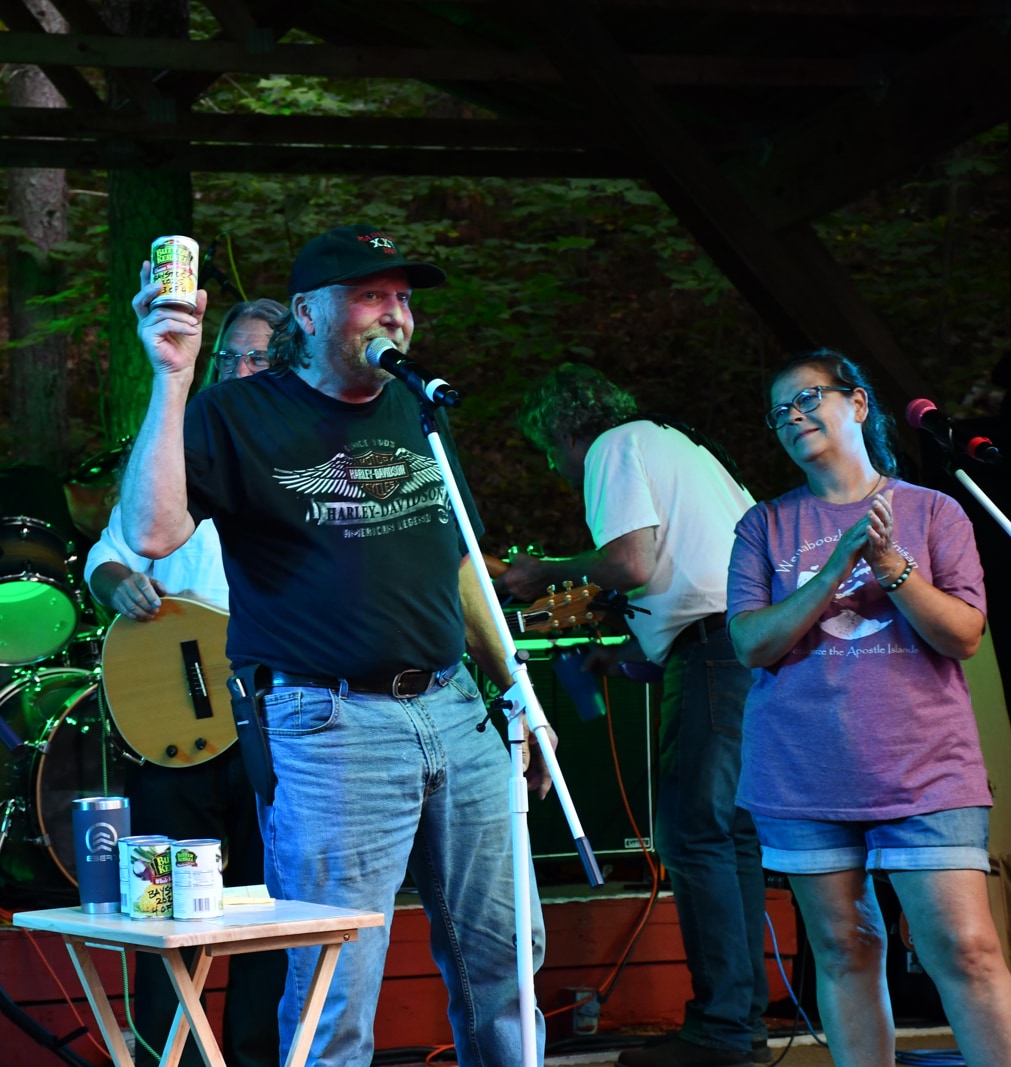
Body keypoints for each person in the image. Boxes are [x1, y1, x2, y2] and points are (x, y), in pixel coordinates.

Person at [120, 223, 549, 1067]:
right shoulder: (237, 413)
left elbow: (460, 560)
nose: (396, 314)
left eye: (403, 298)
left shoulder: (418, 407)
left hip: (458, 710)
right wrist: (172, 378)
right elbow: (152, 531)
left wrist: (515, 688)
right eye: (370, 295)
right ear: (310, 315)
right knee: (335, 984)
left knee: (507, 959)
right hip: (332, 725)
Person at [726, 350, 1011, 1067]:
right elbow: (751, 644)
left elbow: (964, 635)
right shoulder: (763, 525)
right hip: (802, 771)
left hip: (926, 766)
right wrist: (835, 568)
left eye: (808, 399)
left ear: (858, 403)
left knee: (966, 947)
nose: (793, 417)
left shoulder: (936, 510)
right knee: (845, 947)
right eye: (779, 412)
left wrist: (892, 567)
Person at [502, 365, 769, 1067]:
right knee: (730, 837)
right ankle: (742, 1023)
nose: (555, 466)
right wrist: (621, 657)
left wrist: (544, 571)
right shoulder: (684, 446)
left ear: (566, 430)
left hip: (714, 655)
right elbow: (695, 577)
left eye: (548, 450)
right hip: (747, 649)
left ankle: (720, 1032)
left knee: (693, 835)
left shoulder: (613, 447)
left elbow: (631, 562)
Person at [84, 297, 290, 1067]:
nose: (238, 369)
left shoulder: (308, 457)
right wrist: (118, 586)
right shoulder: (178, 447)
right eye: (227, 356)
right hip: (171, 719)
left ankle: (257, 1056)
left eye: (257, 357)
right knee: (164, 908)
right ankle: (169, 1057)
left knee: (271, 910)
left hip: (275, 717)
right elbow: (107, 555)